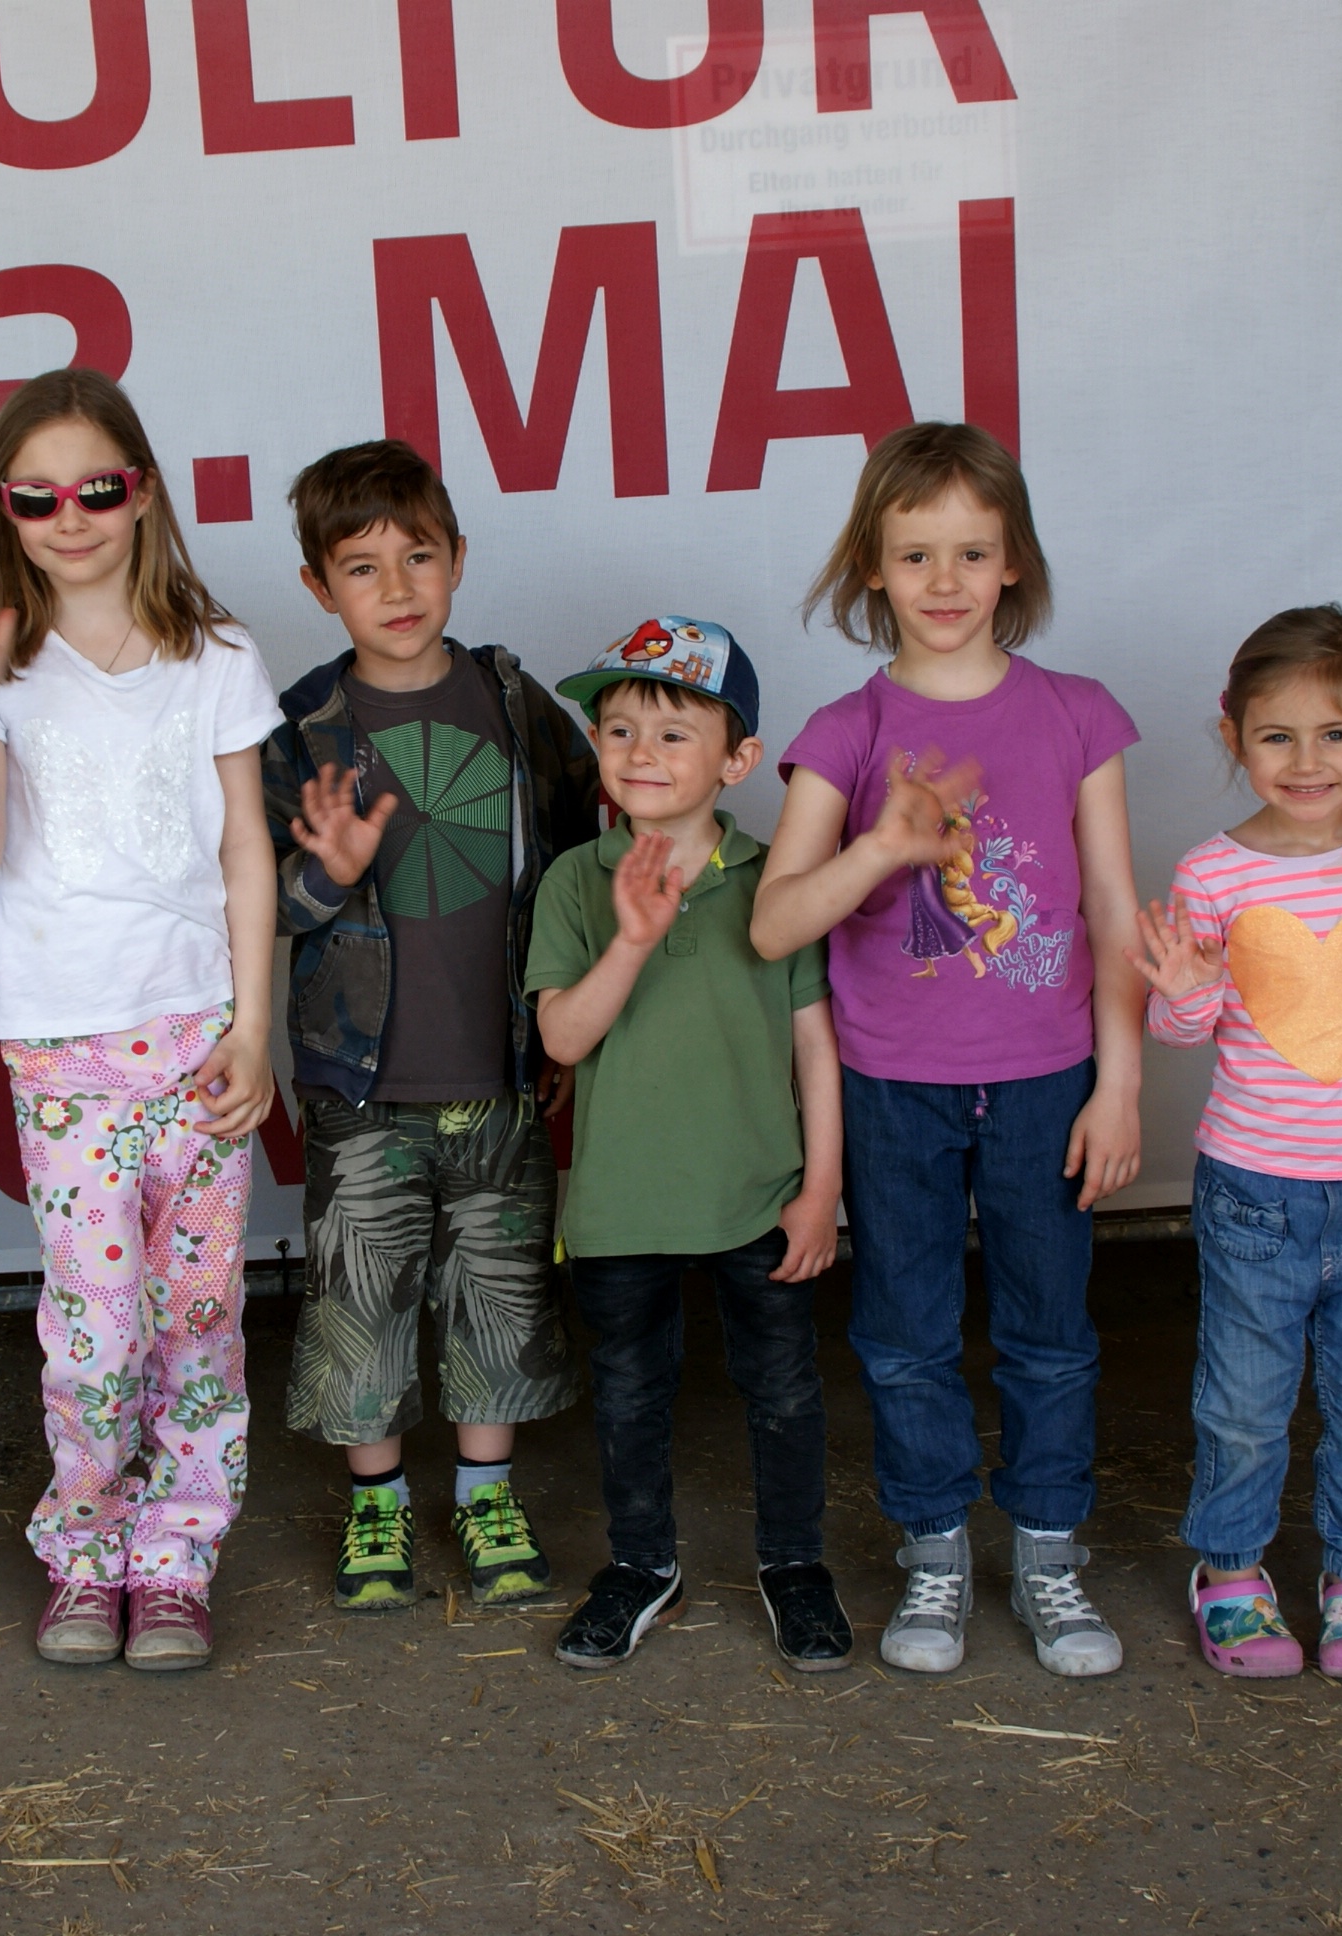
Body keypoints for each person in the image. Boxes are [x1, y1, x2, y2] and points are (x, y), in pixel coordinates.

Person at [751, 420, 1144, 1679]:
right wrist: (881, 847)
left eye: (972, 552)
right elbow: (774, 923)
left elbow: (1115, 917)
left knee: (1049, 1332)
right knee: (906, 1333)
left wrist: (1121, 1085)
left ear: (1013, 560)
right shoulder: (846, 729)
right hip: (892, 1089)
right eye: (915, 553)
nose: (944, 579)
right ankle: (933, 1552)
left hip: (1046, 1082)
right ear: (872, 565)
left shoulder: (1077, 716)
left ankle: (1046, 1553)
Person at [0, 368, 281, 1672]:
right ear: (3, 508)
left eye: (97, 489)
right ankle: (85, 1548)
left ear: (144, 493)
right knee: (97, 1323)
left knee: (200, 1312)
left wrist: (252, 1028)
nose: (70, 517)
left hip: (198, 1036)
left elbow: (246, 848)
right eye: (37, 496)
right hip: (63, 1048)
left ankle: (177, 1559)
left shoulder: (215, 654)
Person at [263, 440, 596, 1614]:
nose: (396, 588)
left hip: (501, 1067)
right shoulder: (300, 730)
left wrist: (562, 1026)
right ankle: (378, 1503)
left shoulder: (514, 702)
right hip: (359, 1080)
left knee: (498, 1290)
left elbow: (576, 863)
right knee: (359, 1300)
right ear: (318, 587)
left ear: (457, 557)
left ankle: (486, 1493)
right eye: (362, 568)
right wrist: (327, 875)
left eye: (418, 557)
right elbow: (259, 906)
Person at [525, 621, 850, 1671]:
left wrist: (821, 1190)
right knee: (629, 1392)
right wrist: (632, 937)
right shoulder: (576, 879)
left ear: (737, 760)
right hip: (622, 1202)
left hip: (759, 1195)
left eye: (673, 733)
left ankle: (794, 1564)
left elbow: (816, 1046)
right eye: (619, 729)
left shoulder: (776, 879)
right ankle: (640, 1565)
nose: (641, 753)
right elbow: (563, 1038)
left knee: (784, 1390)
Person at [1130, 608, 1342, 1680]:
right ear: (1234, 738)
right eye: (1277, 737)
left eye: (1336, 734)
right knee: (1245, 1406)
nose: (1308, 762)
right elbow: (1183, 1029)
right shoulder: (1214, 872)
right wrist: (1182, 992)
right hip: (1255, 1185)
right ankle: (1228, 1569)